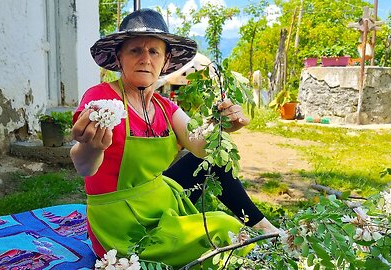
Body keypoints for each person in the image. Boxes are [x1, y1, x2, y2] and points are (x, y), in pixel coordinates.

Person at [70, 8, 277, 267]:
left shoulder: (166, 107)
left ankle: (267, 229)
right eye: (135, 50)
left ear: (166, 61)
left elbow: (200, 146)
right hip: (120, 221)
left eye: (154, 51)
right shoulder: (101, 99)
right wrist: (91, 147)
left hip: (159, 199)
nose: (145, 59)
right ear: (119, 57)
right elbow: (84, 166)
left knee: (216, 158)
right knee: (223, 227)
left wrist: (222, 126)